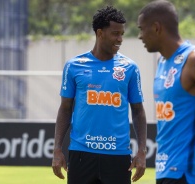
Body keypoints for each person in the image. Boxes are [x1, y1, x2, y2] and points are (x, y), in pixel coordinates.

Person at [137, 1, 195, 184]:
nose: (140, 36)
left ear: (156, 28)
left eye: (142, 29)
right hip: (164, 172)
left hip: (189, 174)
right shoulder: (162, 62)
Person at [52, 6, 147, 184]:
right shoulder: (74, 66)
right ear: (100, 33)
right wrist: (57, 149)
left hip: (118, 155)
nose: (120, 39)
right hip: (81, 154)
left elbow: (138, 110)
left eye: (122, 34)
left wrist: (142, 150)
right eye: (115, 33)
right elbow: (65, 109)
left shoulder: (130, 68)